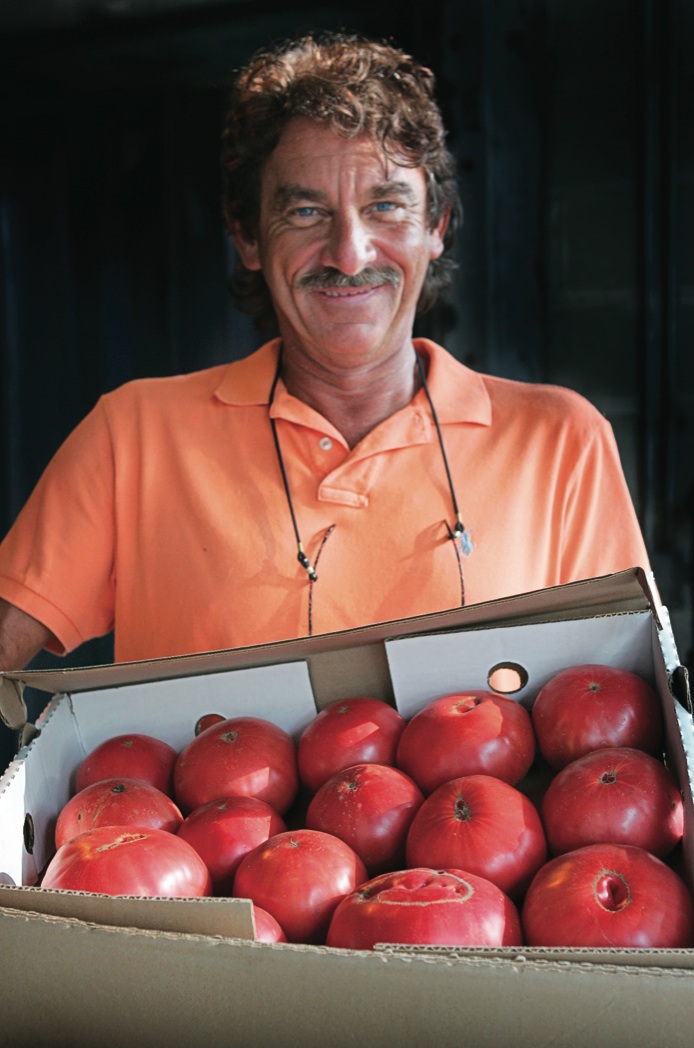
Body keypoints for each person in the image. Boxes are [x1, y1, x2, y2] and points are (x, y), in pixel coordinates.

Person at [0, 32, 650, 674]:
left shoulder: (560, 441)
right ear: (248, 238)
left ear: (436, 229)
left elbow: (620, 714)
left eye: (386, 206)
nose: (350, 254)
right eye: (307, 212)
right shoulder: (132, 436)